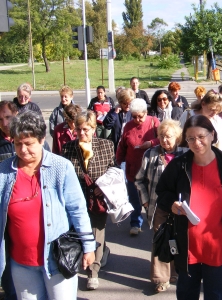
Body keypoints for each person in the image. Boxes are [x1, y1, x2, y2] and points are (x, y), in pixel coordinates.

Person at [0, 111, 95, 299]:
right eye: (17, 143)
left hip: (57, 260)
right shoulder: (4, 171)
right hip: (21, 263)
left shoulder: (61, 167)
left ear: (42, 139)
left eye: (28, 143)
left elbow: (77, 209)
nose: (23, 149)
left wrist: (89, 246)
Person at [156, 115, 222, 300]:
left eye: (201, 136)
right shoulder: (179, 165)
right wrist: (172, 204)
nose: (196, 142)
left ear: (212, 135)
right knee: (186, 294)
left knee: (218, 295)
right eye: (191, 138)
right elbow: (162, 192)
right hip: (188, 246)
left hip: (218, 247)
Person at [62, 111, 114, 290]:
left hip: (98, 200)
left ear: (94, 129)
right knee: (80, 234)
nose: (81, 133)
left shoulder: (107, 146)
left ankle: (93, 272)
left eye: (85, 129)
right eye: (78, 129)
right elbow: (64, 175)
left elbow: (113, 171)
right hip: (76, 200)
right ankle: (96, 254)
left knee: (96, 233)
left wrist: (104, 187)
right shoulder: (68, 148)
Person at [135, 119, 187, 293]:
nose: (165, 140)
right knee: (161, 240)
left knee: (177, 240)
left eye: (169, 137)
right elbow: (139, 180)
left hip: (181, 208)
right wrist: (144, 200)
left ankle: (175, 272)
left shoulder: (186, 155)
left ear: (177, 137)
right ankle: (161, 278)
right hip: (159, 207)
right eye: (162, 136)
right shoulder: (151, 154)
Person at [116, 99, 160, 235]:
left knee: (150, 197)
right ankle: (135, 223)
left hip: (150, 169)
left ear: (146, 113)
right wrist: (117, 162)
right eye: (134, 116)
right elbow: (122, 145)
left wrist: (151, 143)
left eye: (140, 116)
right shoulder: (128, 126)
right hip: (133, 168)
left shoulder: (154, 122)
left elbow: (163, 139)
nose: (137, 119)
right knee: (134, 198)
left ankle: (153, 220)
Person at [103, 88, 135, 153]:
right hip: (118, 146)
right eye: (125, 103)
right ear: (120, 102)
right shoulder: (114, 112)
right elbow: (107, 125)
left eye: (130, 103)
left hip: (131, 147)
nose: (127, 106)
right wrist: (115, 113)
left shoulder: (134, 112)